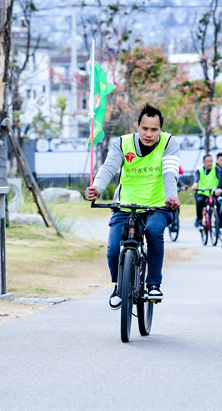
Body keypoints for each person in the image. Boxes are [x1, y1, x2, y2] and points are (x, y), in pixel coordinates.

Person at [84, 103, 181, 308]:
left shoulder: (169, 142)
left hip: (157, 206)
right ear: (137, 126)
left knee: (154, 232)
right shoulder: (122, 143)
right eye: (145, 128)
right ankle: (119, 285)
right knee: (112, 250)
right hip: (126, 205)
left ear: (160, 130)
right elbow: (109, 168)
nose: (149, 133)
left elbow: (170, 172)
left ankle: (153, 283)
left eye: (154, 129)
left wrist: (172, 197)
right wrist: (97, 188)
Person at [191, 154, 219, 228]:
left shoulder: (216, 168)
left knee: (219, 204)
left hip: (213, 193)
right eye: (208, 161)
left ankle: (218, 225)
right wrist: (195, 185)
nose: (210, 163)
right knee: (199, 202)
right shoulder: (199, 170)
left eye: (211, 161)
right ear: (203, 162)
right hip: (201, 193)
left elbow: (220, 177)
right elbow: (196, 179)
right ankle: (199, 219)